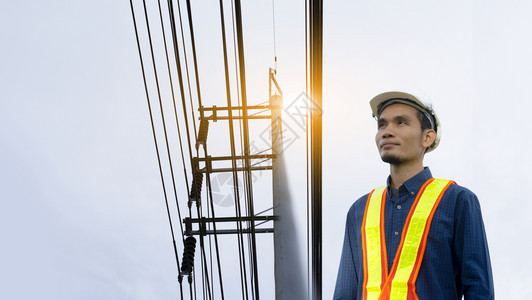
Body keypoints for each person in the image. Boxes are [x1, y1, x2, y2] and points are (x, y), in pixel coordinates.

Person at [333, 92, 494, 299]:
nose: (387, 132)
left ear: (427, 137)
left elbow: (479, 289)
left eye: (401, 123)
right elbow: (345, 292)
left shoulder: (457, 201)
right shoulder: (359, 210)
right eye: (382, 125)